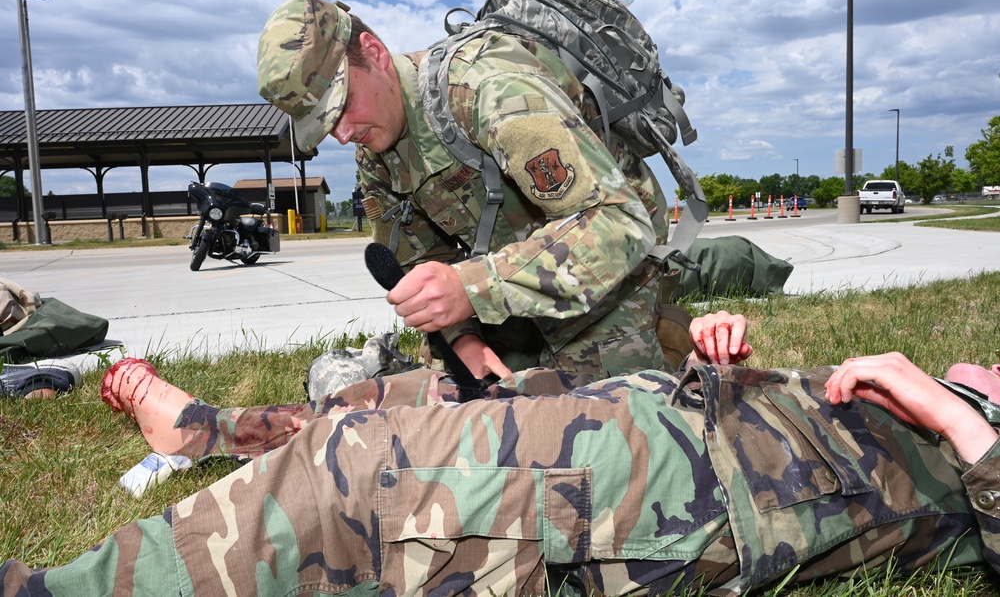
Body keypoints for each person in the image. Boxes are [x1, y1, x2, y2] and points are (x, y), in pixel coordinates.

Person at [4, 331, 1000, 595]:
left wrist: (957, 425)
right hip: (659, 416)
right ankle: (201, 427)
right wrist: (723, 362)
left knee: (363, 472)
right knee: (390, 399)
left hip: (657, 488)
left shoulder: (964, 434)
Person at [257, 0, 681, 381]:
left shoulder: (490, 90)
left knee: (600, 420)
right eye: (326, 125)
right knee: (475, 397)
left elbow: (618, 220)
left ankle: (675, 323)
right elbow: (419, 258)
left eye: (342, 106)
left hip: (613, 262)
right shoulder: (376, 153)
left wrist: (474, 288)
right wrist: (463, 338)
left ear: (374, 52)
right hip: (515, 271)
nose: (343, 134)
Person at [98, 311, 753, 462]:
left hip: (541, 431)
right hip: (546, 384)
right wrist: (711, 353)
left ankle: (202, 425)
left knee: (351, 429)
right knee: (374, 394)